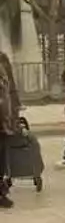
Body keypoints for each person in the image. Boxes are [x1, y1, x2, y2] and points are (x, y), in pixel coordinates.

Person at [0, 51, 24, 208]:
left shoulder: (2, 58)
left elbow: (10, 90)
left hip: (3, 121)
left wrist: (14, 112)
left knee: (2, 157)